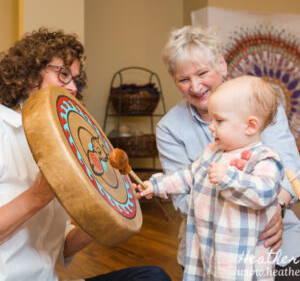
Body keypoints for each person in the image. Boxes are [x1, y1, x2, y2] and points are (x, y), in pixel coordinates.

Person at [0, 28, 171, 281]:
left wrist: (108, 208)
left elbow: (64, 247)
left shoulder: (64, 145)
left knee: (152, 276)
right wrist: (38, 196)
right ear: (28, 76)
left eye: (76, 80)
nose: (72, 88)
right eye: (63, 75)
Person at [156, 25, 300, 280]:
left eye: (202, 73)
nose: (196, 86)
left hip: (277, 237)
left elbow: (290, 167)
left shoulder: (259, 103)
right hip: (209, 249)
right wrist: (242, 214)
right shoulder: (169, 127)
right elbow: (180, 197)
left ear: (221, 65)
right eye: (183, 79)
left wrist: (276, 208)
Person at [137, 76, 284, 280]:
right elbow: (189, 175)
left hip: (241, 263)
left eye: (219, 120)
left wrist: (229, 177)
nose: (211, 127)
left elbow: (264, 192)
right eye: (212, 119)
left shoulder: (264, 159)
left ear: (250, 126)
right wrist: (156, 185)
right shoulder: (213, 151)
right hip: (207, 250)